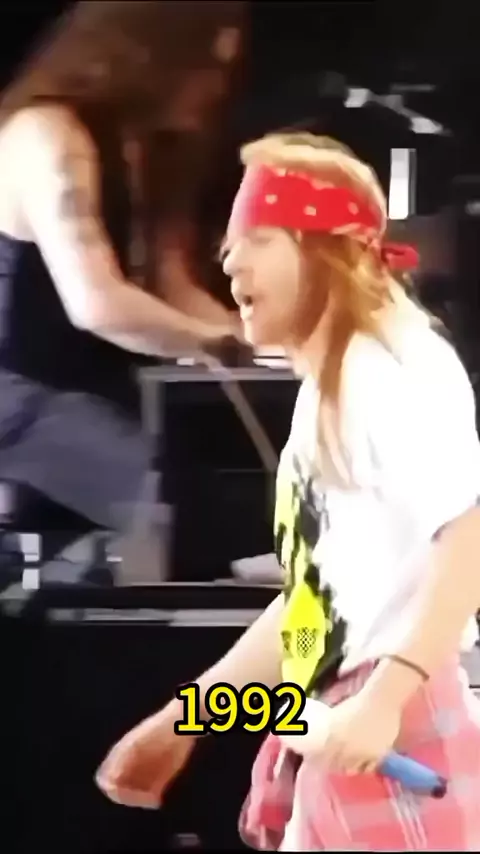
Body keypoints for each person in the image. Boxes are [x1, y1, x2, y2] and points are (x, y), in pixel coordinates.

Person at [96, 132, 480, 850]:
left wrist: (386, 697)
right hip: (346, 721)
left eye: (258, 239)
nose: (228, 260)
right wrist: (185, 720)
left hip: (396, 719)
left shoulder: (390, 370)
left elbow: (469, 538)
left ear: (328, 250)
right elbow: (313, 610)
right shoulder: (336, 386)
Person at [0, 4, 241, 581]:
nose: (216, 87)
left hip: (88, 382)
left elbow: (171, 288)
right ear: (149, 55)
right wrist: (230, 347)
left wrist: (272, 346)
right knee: (186, 506)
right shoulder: (47, 136)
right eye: (205, 65)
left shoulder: (145, 148)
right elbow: (97, 305)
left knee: (241, 471)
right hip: (18, 389)